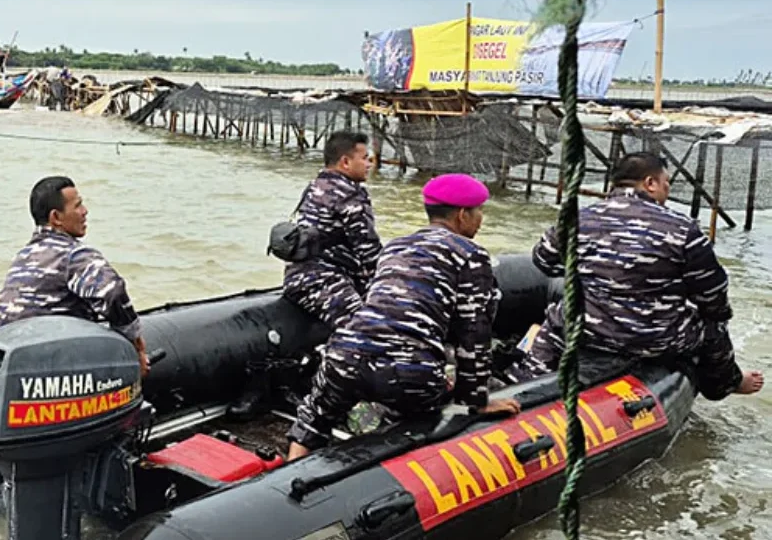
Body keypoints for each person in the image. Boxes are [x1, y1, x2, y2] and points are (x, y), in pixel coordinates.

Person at [287, 173, 520, 460]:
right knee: (419, 416)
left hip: (343, 353)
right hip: (409, 369)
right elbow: (474, 333)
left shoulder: (395, 247)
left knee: (313, 419)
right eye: (479, 211)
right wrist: (477, 401)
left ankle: (288, 476)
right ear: (462, 215)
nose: (481, 219)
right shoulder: (471, 255)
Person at [502, 152, 763, 400]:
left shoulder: (576, 219)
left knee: (555, 322)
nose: (667, 191)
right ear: (650, 183)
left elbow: (544, 261)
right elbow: (713, 296)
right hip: (654, 339)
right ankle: (726, 383)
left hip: (586, 331)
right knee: (713, 324)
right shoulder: (682, 229)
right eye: (666, 184)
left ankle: (521, 383)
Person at [0, 176, 150, 376]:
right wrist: (135, 347)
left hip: (13, 362)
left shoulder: (22, 257)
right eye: (78, 206)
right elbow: (113, 293)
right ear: (56, 218)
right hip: (54, 366)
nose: (85, 211)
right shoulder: (73, 255)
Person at [281, 131, 383, 329]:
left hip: (297, 277)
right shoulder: (350, 195)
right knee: (367, 330)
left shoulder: (315, 186)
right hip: (323, 281)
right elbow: (369, 252)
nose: (369, 164)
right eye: (364, 159)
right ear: (345, 162)